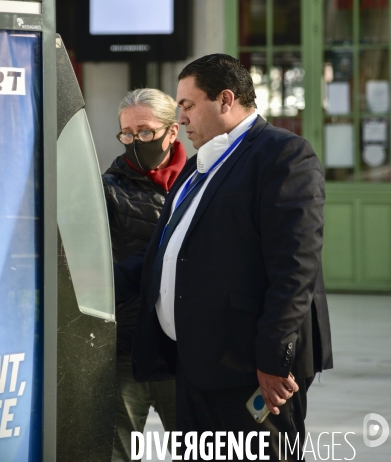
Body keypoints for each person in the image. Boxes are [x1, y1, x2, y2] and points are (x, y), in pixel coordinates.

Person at [117, 54, 333, 460]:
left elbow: (295, 268)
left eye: (187, 105)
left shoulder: (283, 154)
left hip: (250, 371)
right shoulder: (201, 163)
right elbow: (166, 251)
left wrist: (273, 360)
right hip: (197, 365)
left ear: (225, 100)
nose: (180, 119)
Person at [102, 88, 187, 462]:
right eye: (127, 134)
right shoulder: (106, 189)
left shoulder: (205, 182)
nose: (136, 142)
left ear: (173, 131)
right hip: (127, 351)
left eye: (146, 132)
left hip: (184, 352)